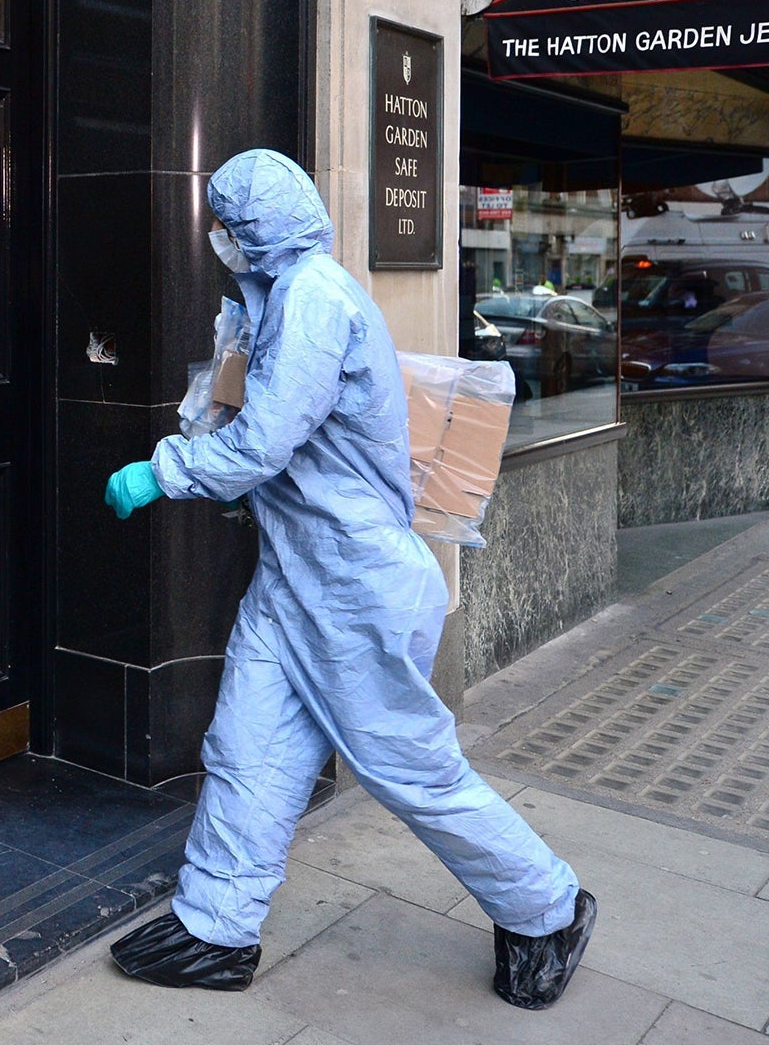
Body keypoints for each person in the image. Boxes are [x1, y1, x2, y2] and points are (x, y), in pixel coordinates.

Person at [100, 149, 597, 1010]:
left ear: (253, 227)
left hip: (353, 586)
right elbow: (276, 439)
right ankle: (215, 925)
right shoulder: (277, 297)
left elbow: (264, 443)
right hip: (298, 578)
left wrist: (166, 470)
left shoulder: (315, 300)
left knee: (409, 766)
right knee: (246, 749)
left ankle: (545, 908)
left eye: (225, 219)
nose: (217, 234)